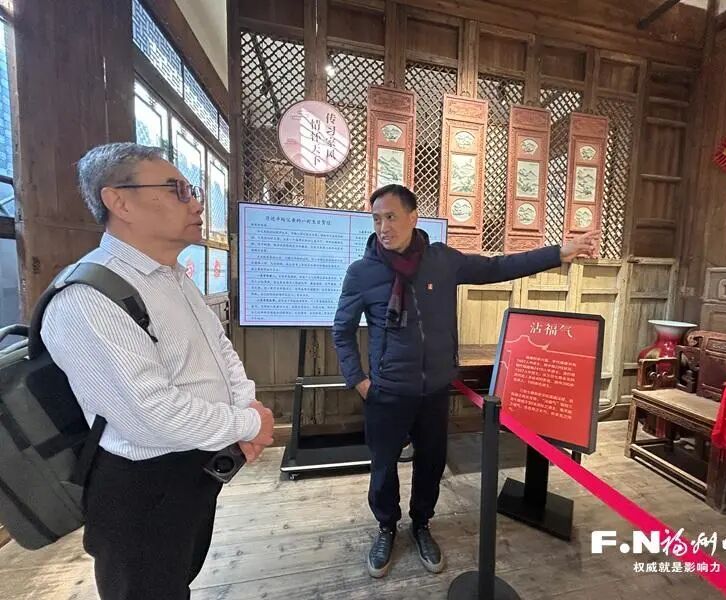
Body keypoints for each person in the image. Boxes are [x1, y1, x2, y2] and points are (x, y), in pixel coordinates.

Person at [40, 142, 275, 600]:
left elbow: (219, 349)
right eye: (177, 190)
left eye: (192, 190)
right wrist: (248, 423)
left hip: (194, 464)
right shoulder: (87, 295)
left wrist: (246, 405)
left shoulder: (171, 276)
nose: (196, 203)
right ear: (119, 202)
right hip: (142, 483)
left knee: (178, 577)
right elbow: (149, 415)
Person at [332, 184, 599, 578]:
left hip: (435, 391)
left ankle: (422, 525)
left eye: (390, 217)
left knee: (431, 464)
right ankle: (386, 527)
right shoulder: (362, 272)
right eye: (376, 219)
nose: (383, 227)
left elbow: (498, 267)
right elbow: (342, 330)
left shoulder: (442, 261)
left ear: (412, 217)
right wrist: (359, 381)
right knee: (384, 467)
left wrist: (559, 252)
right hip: (387, 391)